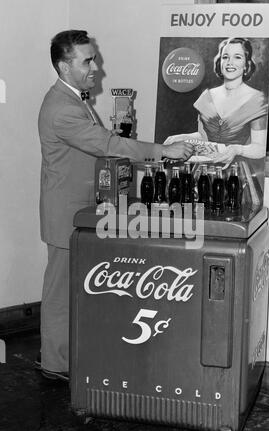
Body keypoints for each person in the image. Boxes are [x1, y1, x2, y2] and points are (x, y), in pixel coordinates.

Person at [37, 30, 193, 381]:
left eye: (94, 58)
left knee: (72, 288)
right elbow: (105, 144)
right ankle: (55, 365)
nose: (95, 67)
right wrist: (161, 151)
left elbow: (99, 145)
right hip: (66, 213)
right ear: (64, 66)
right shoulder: (62, 107)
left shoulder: (76, 99)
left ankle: (59, 354)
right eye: (87, 60)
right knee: (61, 293)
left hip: (80, 211)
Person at [193, 37, 268, 167]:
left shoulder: (257, 100)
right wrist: (179, 141)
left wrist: (237, 149)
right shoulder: (206, 97)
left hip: (236, 172)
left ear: (246, 64)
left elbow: (261, 148)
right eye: (225, 57)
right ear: (219, 62)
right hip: (204, 169)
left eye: (237, 57)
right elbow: (202, 139)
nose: (229, 62)